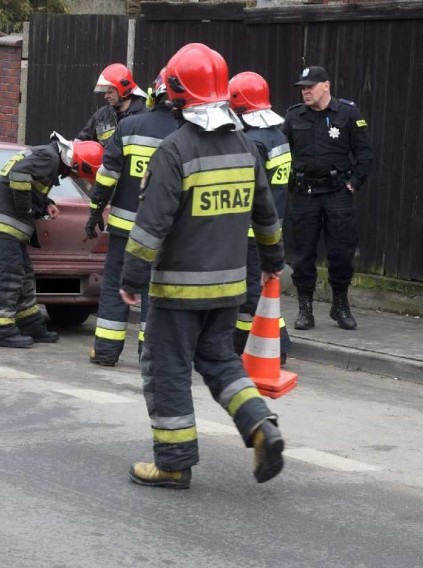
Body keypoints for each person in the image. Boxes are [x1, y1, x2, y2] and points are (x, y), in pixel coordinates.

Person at [120, 43, 286, 489]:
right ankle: (259, 425)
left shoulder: (175, 151)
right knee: (221, 362)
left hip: (177, 292)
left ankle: (173, 463)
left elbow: (151, 224)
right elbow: (266, 215)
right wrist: (273, 263)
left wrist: (131, 277)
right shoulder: (245, 146)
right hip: (229, 288)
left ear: (176, 93)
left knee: (166, 370)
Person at [85, 68, 179, 367]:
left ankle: (105, 351)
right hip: (164, 234)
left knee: (115, 285)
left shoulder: (130, 127)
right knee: (155, 291)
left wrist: (95, 211)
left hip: (124, 230)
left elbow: (106, 177)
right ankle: (148, 356)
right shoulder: (186, 134)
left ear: (153, 93)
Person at [0, 133, 103, 348]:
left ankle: (31, 324)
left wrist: (44, 203)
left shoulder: (49, 155)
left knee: (24, 275)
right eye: (81, 175)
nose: (77, 178)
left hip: (9, 223)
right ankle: (0, 330)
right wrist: (25, 209)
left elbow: (29, 182)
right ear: (79, 165)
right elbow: (19, 175)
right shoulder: (50, 158)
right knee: (7, 276)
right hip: (4, 222)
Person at [283, 66, 373, 330]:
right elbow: (279, 151)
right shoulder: (293, 116)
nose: (305, 91)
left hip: (337, 195)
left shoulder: (347, 113)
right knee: (302, 254)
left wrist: (353, 184)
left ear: (326, 85)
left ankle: (340, 305)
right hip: (304, 195)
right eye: (302, 87)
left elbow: (365, 154)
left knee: (341, 253)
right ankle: (305, 309)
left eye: (310, 86)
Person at [229, 71, 293, 363]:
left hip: (252, 232)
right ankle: (241, 340)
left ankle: (279, 345)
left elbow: (247, 188)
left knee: (254, 293)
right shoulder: (277, 136)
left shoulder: (252, 142)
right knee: (249, 291)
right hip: (272, 225)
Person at [77, 63, 148, 146]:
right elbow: (81, 141)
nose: (106, 96)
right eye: (106, 92)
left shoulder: (144, 115)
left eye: (110, 92)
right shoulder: (102, 115)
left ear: (123, 91)